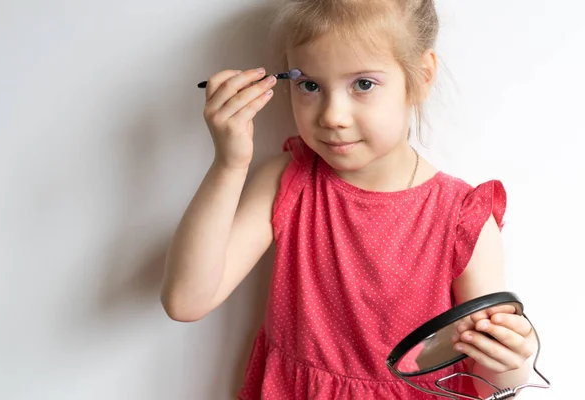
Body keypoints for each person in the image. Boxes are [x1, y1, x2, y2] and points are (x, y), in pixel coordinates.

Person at [161, 0, 537, 398]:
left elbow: (486, 379)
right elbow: (186, 301)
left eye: (363, 84)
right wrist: (229, 164)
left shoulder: (462, 218)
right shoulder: (289, 182)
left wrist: (514, 366)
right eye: (309, 85)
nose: (332, 116)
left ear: (421, 77)